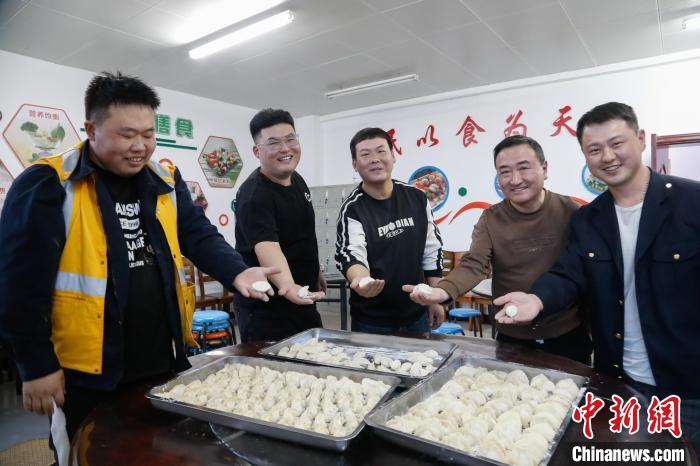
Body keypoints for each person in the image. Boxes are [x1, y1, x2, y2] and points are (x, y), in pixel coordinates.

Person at [0, 72, 276, 448]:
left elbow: (197, 234)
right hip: (87, 371)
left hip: (162, 358)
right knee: (86, 452)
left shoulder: (164, 179)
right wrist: (36, 365)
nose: (140, 147)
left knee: (159, 449)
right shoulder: (50, 183)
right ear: (91, 129)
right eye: (127, 134)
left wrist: (238, 272)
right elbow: (19, 284)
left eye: (148, 134)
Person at [494, 102, 699, 453]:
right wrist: (537, 299)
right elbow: (568, 272)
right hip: (618, 382)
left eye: (617, 143)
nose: (608, 157)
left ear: (640, 139)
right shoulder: (589, 219)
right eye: (594, 149)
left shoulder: (691, 203)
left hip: (687, 387)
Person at [404, 135, 592, 364]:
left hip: (566, 333)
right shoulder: (491, 219)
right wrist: (442, 291)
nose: (515, 179)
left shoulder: (571, 212)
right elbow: (474, 264)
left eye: (523, 168)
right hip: (512, 334)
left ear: (544, 169)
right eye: (505, 172)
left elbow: (584, 270)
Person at [335, 127, 444, 334]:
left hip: (416, 313)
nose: (375, 159)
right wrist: (362, 281)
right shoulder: (353, 208)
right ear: (355, 164)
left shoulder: (417, 198)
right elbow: (351, 253)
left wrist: (435, 298)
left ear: (393, 156)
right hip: (371, 320)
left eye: (381, 151)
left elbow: (431, 250)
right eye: (365, 154)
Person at [234, 108, 325, 343]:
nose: (285, 148)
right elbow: (268, 247)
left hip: (301, 296)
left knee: (314, 356)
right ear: (257, 151)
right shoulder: (255, 194)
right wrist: (288, 285)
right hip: (267, 308)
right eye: (274, 143)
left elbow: (301, 234)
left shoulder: (297, 180)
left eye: (290, 139)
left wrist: (316, 271)